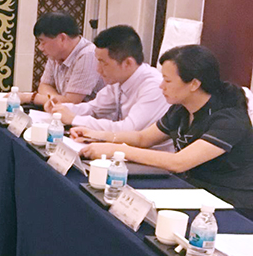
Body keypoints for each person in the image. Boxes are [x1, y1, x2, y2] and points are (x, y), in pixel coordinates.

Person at [77, 45, 253, 210]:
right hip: (191, 188)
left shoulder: (229, 120)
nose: (161, 86)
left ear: (194, 84)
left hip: (229, 201)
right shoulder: (181, 108)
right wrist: (98, 135)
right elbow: (143, 138)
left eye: (167, 80)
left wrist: (116, 150)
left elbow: (179, 162)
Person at [48, 25, 169, 135]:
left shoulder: (154, 86)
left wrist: (74, 119)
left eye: (103, 63)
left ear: (127, 63)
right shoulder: (119, 80)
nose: (98, 69)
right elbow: (94, 108)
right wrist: (62, 108)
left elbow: (129, 129)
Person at [19, 12, 104, 106]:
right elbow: (44, 85)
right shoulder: (56, 54)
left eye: (43, 42)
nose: (40, 48)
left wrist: (30, 97)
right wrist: (56, 100)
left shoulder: (88, 55)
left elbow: (71, 102)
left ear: (62, 38)